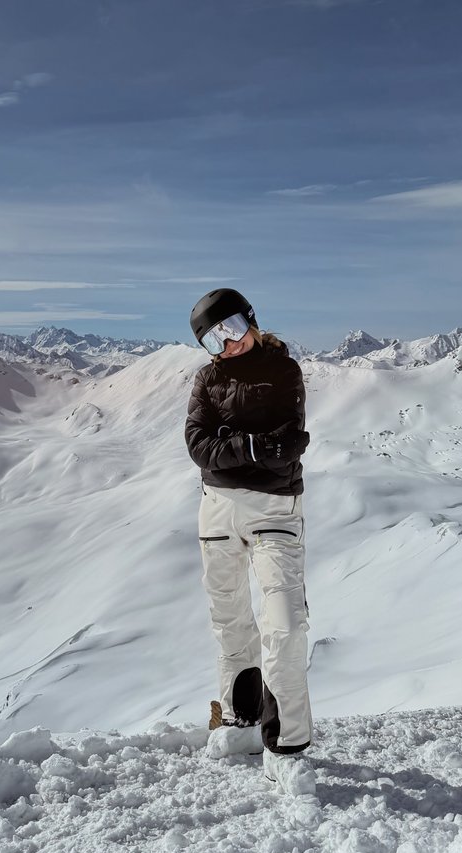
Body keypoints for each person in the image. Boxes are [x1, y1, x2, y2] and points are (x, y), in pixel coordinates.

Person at [185, 288, 315, 795]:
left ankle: (286, 747)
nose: (228, 343)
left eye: (233, 328)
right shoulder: (207, 379)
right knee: (229, 619)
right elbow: (198, 446)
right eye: (213, 339)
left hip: (274, 510)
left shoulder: (284, 371)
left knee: (285, 624)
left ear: (252, 320)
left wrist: (231, 444)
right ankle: (241, 723)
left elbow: (289, 443)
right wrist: (254, 446)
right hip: (217, 510)